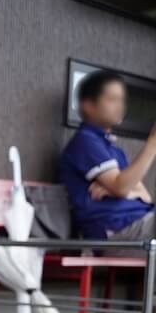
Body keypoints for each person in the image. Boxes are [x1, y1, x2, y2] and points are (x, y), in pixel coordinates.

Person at [59, 70, 156, 244]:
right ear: (88, 105)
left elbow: (145, 196)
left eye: (122, 100)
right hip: (117, 230)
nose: (121, 106)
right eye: (112, 100)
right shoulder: (85, 141)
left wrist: (124, 191)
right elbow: (122, 186)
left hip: (140, 224)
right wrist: (153, 143)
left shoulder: (113, 149)